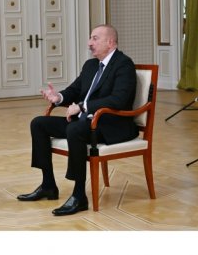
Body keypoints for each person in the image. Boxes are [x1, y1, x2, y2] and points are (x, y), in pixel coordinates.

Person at [17, 24, 138, 216]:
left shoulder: (124, 64)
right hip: (87, 123)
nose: (89, 43)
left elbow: (119, 99)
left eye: (95, 38)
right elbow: (75, 90)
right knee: (39, 123)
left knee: (75, 129)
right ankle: (48, 185)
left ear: (110, 42)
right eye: (90, 38)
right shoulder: (91, 65)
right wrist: (59, 97)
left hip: (110, 125)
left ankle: (79, 195)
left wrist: (82, 107)